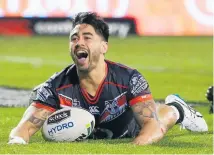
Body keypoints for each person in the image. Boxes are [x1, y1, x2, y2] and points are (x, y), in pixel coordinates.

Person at [8, 12, 208, 145]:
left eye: (87, 37)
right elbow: (24, 128)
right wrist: (17, 142)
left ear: (104, 47)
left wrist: (134, 147)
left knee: (161, 116)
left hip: (126, 125)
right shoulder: (55, 86)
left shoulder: (129, 79)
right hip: (91, 128)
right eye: (74, 38)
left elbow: (152, 126)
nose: (79, 42)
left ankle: (178, 108)